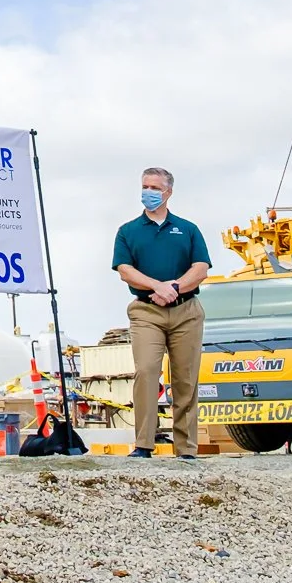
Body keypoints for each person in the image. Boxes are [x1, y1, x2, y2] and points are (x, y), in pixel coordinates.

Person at [112, 166, 211, 459]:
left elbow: (201, 268)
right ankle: (144, 443)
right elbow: (125, 270)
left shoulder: (188, 229)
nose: (149, 193)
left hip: (186, 312)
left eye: (155, 188)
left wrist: (175, 288)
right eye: (145, 186)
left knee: (186, 378)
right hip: (146, 312)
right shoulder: (128, 231)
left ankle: (186, 448)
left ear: (168, 192)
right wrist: (157, 286)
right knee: (146, 371)